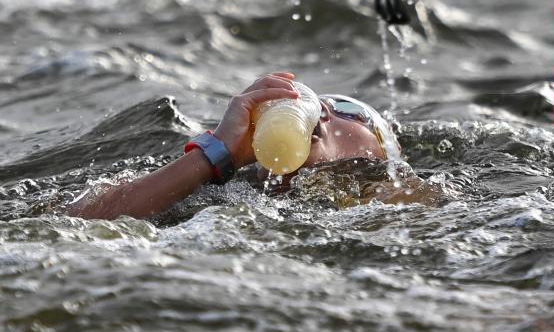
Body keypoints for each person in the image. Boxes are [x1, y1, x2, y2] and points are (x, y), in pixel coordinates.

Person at [68, 72, 394, 220]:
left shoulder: (393, 212)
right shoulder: (218, 195)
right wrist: (219, 153)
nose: (322, 108)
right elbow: (79, 221)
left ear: (382, 156)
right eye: (324, 101)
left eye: (348, 110)